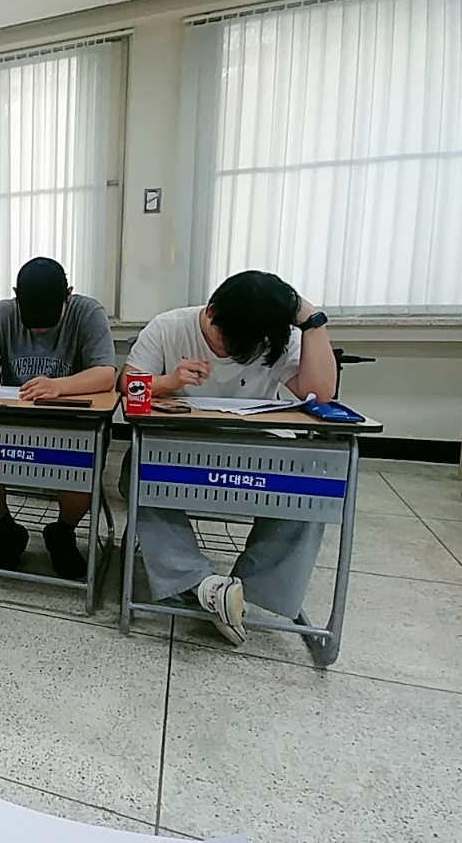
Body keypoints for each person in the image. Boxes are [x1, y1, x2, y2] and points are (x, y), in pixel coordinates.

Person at [121, 269, 337, 645]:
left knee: (313, 489)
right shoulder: (169, 327)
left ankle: (240, 591)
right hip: (184, 449)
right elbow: (127, 386)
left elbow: (319, 394)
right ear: (211, 311)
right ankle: (204, 584)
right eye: (226, 341)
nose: (230, 353)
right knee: (138, 471)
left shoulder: (274, 335)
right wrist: (168, 382)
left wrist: (312, 320)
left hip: (256, 448)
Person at [0, 257, 117, 579]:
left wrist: (58, 386)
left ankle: (63, 533)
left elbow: (105, 374)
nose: (41, 329)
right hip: (13, 421)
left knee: (86, 457)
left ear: (68, 295)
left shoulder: (88, 313)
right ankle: (7, 529)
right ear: (16, 296)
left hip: (70, 423)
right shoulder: (2, 314)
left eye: (49, 320)